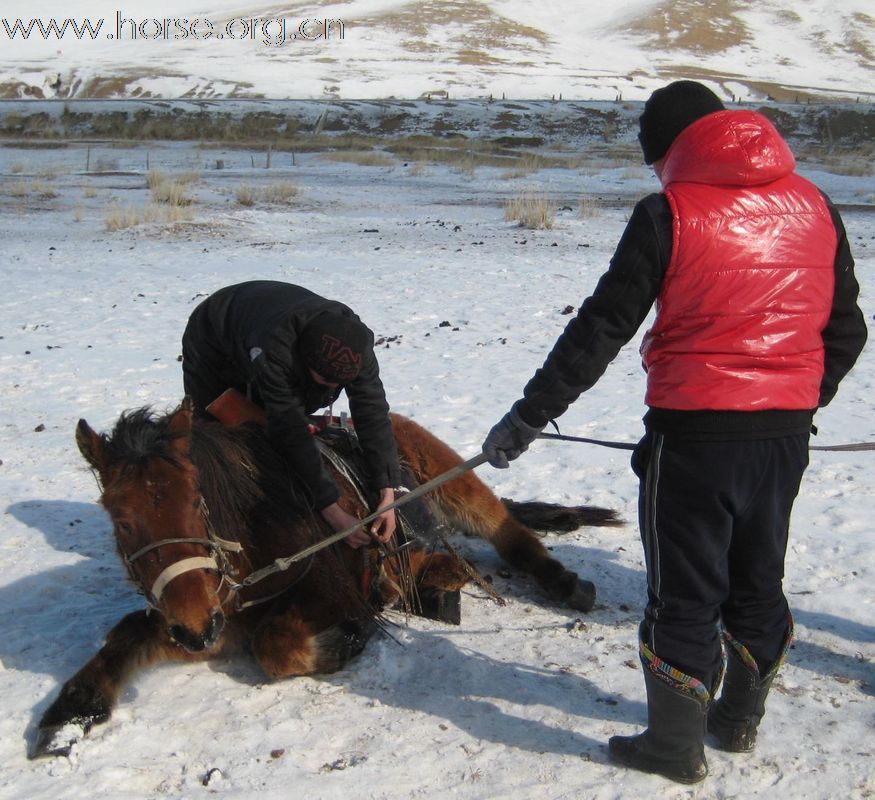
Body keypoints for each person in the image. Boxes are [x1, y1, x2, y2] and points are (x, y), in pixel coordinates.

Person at [481, 81, 867, 784]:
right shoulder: (815, 205)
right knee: (757, 582)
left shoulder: (669, 214)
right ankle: (735, 722)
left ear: (667, 150)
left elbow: (597, 331)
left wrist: (526, 418)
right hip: (781, 442)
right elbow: (846, 331)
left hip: (693, 440)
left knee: (684, 595)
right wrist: (796, 407)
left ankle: (671, 747)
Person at [181, 280, 400, 549]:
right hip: (214, 342)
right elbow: (290, 427)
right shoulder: (275, 350)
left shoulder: (358, 345)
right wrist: (331, 511)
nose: (330, 389)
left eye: (337, 385)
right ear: (304, 361)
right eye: (323, 381)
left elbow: (372, 411)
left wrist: (387, 491)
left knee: (277, 425)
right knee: (224, 434)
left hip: (268, 317)